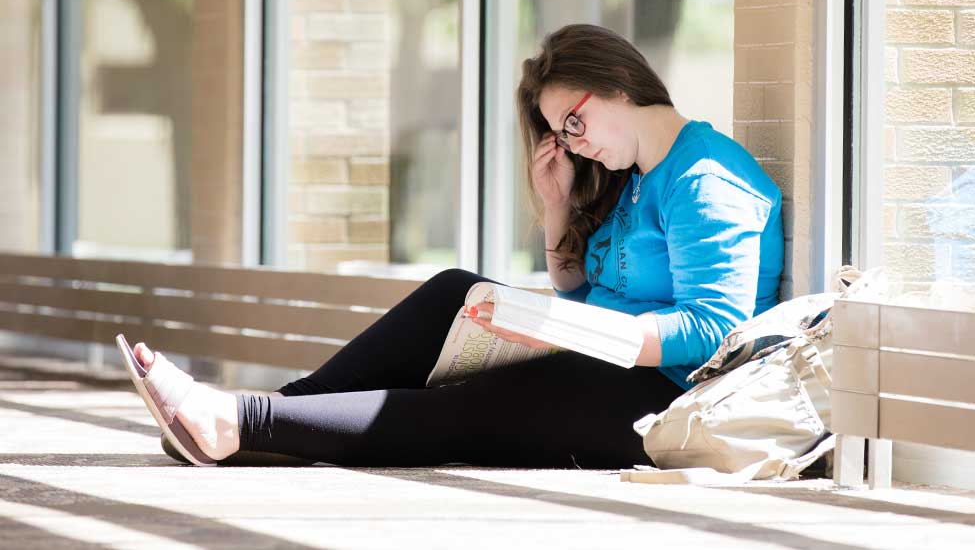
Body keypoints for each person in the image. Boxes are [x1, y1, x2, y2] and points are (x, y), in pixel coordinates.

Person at [118, 23, 783, 469]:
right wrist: (555, 210)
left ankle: (241, 422)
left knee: (466, 409)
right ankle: (268, 419)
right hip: (602, 365)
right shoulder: (635, 178)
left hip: (654, 400)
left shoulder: (704, 178)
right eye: (560, 131)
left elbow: (714, 327)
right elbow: (584, 293)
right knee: (452, 290)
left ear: (616, 83)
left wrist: (578, 331)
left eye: (573, 122)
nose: (574, 143)